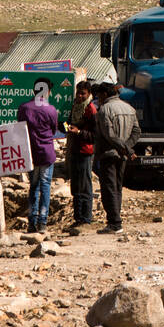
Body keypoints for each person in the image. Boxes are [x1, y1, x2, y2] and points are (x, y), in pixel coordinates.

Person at [94, 82, 141, 234]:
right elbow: (136, 132)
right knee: (117, 187)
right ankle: (116, 220)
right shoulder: (129, 108)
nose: (98, 98)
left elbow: (110, 135)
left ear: (104, 94)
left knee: (109, 188)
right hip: (122, 156)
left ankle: (114, 223)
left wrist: (124, 148)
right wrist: (127, 148)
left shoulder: (104, 110)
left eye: (99, 95)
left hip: (109, 154)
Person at [17, 81, 59, 233]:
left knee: (33, 186)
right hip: (46, 153)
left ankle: (32, 222)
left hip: (31, 153)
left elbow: (19, 127)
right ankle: (43, 222)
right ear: (47, 92)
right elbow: (54, 130)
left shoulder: (24, 108)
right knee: (45, 186)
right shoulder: (51, 109)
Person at [65, 79, 97, 228]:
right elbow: (69, 122)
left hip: (85, 151)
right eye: (78, 93)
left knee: (85, 186)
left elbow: (94, 135)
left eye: (83, 94)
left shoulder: (91, 109)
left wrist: (79, 132)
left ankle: (86, 217)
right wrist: (66, 127)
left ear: (89, 94)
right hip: (74, 149)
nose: (79, 96)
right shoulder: (75, 107)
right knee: (76, 186)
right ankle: (78, 218)